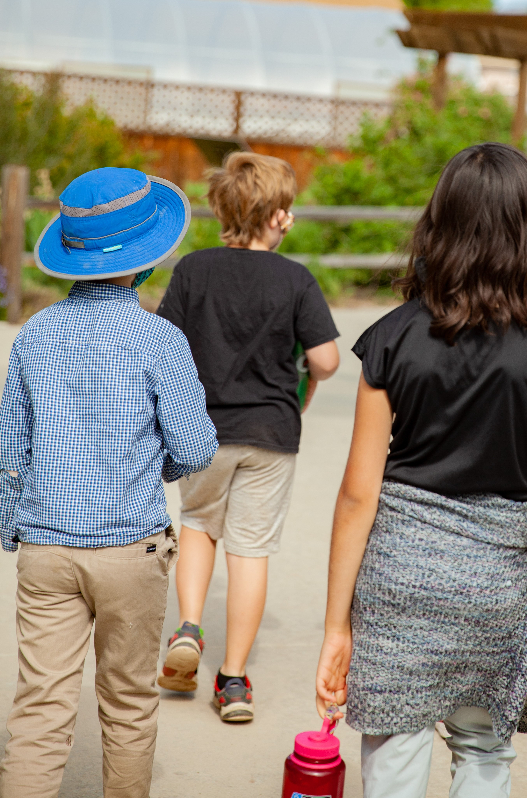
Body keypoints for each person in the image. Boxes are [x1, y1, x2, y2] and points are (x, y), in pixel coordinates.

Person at [315, 143, 527, 797]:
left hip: (398, 586)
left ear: (439, 224)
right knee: (484, 760)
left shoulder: (392, 337)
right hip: (494, 596)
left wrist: (336, 624)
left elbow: (358, 494)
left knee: (393, 771)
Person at [0, 167, 218, 798]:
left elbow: (12, 446)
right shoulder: (160, 339)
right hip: (130, 548)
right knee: (127, 705)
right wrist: (150, 468)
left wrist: (12, 522)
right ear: (144, 260)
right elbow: (196, 446)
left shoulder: (35, 335)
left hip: (47, 548)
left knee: (39, 711)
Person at [157, 151, 339, 722]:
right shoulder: (295, 279)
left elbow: (166, 344)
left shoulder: (193, 270)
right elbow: (327, 360)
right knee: (250, 549)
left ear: (221, 208)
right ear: (279, 215)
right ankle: (233, 681)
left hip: (203, 431)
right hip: (271, 433)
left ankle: (188, 627)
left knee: (197, 526)